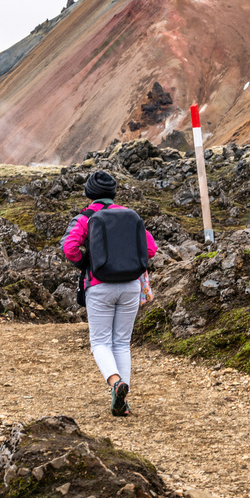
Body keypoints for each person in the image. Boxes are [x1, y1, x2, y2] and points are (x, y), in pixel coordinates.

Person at [61, 171, 157, 416]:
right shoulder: (130, 216)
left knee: (100, 342)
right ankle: (122, 401)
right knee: (122, 342)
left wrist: (86, 262)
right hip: (130, 285)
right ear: (113, 193)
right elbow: (151, 249)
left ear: (89, 193)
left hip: (99, 285)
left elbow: (69, 248)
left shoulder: (84, 218)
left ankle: (116, 384)